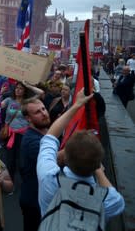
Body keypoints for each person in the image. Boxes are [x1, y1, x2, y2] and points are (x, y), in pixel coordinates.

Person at [37, 89, 125, 221]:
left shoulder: (48, 179)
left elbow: (50, 136)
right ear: (99, 163)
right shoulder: (110, 202)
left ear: (65, 158)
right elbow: (113, 194)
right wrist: (99, 170)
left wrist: (77, 105)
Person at [19, 98, 51, 231]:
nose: (44, 113)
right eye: (37, 112)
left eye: (43, 109)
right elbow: (59, 158)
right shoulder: (31, 140)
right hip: (34, 202)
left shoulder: (45, 132)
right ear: (28, 118)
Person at [1, 81, 44, 181]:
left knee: (22, 159)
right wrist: (0, 93)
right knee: (10, 159)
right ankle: (10, 181)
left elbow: (41, 93)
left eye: (21, 88)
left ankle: (25, 181)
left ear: (24, 91)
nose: (18, 90)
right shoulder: (9, 100)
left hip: (23, 134)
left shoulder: (27, 102)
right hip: (9, 133)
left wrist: (29, 85)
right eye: (16, 88)